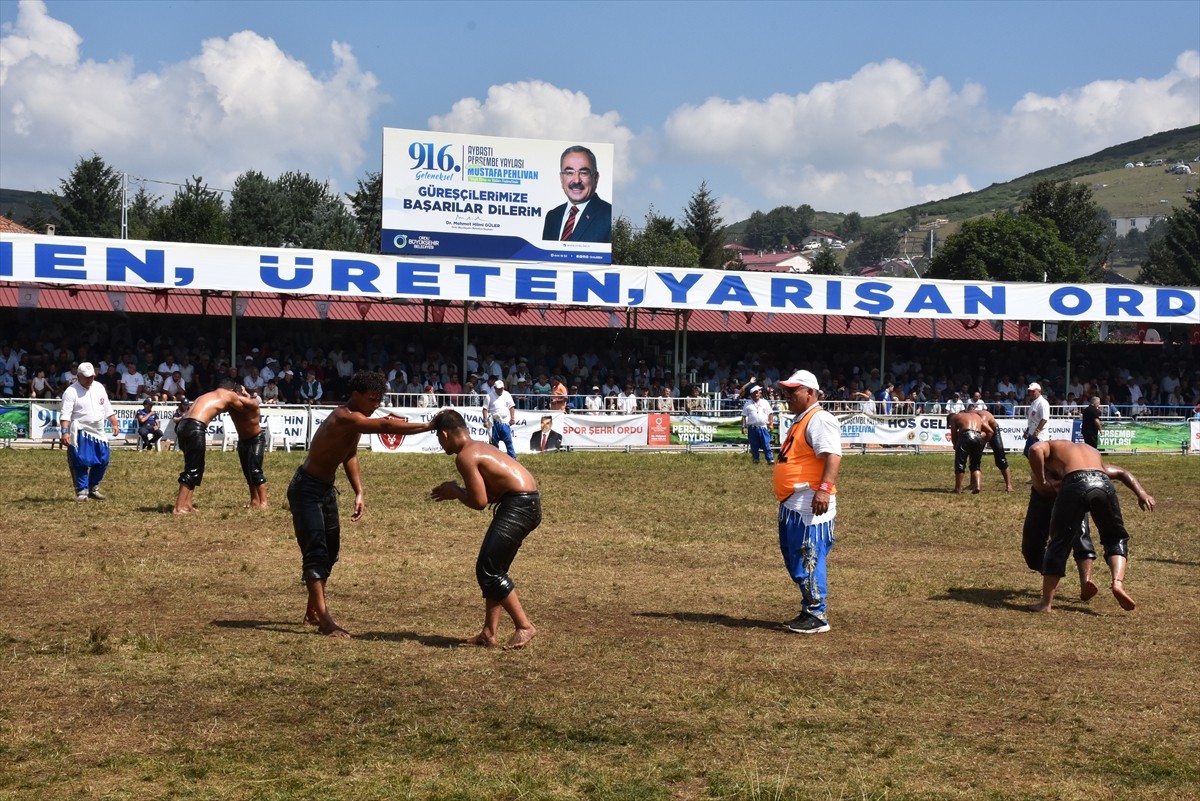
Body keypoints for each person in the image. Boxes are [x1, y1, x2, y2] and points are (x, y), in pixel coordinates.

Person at [289, 370, 435, 638]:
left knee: (330, 551)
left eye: (379, 400)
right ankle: (325, 620)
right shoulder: (343, 417)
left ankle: (313, 610)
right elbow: (386, 427)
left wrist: (359, 492)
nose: (376, 405)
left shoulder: (355, 422)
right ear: (356, 395)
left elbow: (350, 455)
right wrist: (428, 426)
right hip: (306, 490)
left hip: (324, 489)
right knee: (316, 553)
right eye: (372, 399)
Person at [430, 409, 541, 649]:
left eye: (438, 438)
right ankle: (489, 633)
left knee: (489, 571)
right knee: (493, 568)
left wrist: (454, 491)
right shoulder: (479, 447)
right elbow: (488, 493)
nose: (440, 443)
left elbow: (480, 502)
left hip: (518, 506)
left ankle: (524, 627)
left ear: (445, 434)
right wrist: (459, 491)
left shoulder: (465, 456)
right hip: (525, 504)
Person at [1026, 440, 1154, 613]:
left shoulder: (1050, 445)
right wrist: (1141, 493)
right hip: (1103, 482)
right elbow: (1122, 472)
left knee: (1059, 542)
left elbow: (1034, 449)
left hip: (1076, 482)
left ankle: (1046, 603)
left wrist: (1042, 480)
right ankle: (1117, 583)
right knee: (1115, 537)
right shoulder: (1090, 452)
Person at [773, 369, 842, 634]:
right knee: (796, 558)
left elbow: (833, 455)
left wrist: (824, 489)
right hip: (794, 503)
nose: (787, 395)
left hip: (809, 504)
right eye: (785, 391)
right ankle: (810, 608)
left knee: (809, 557)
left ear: (810, 392)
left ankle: (817, 614)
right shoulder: (802, 419)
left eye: (793, 391)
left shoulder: (819, 419)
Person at [172, 383, 262, 514]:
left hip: (183, 425)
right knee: (193, 469)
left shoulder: (207, 395)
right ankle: (179, 507)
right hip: (195, 427)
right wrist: (247, 396)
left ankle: (187, 505)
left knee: (195, 466)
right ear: (232, 389)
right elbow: (245, 409)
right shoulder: (230, 395)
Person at [59, 362, 120, 503]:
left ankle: (93, 487)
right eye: (86, 377)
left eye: (91, 377)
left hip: (98, 430)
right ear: (79, 376)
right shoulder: (71, 392)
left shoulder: (99, 387)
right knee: (80, 460)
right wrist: (65, 432)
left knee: (103, 459)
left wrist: (114, 423)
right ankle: (82, 490)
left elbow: (107, 407)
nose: (89, 380)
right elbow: (65, 415)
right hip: (80, 430)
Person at [541, 145, 612, 243]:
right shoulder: (552, 217)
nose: (576, 180)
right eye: (569, 173)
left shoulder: (610, 216)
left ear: (595, 178)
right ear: (561, 179)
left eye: (584, 173)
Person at [972, 407, 1014, 492]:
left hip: (993, 431)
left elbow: (989, 432)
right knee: (974, 457)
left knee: (1000, 458)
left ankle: (1009, 485)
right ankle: (973, 483)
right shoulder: (969, 418)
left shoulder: (982, 417)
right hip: (982, 432)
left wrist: (986, 441)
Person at [947, 409, 986, 494]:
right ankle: (977, 486)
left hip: (965, 435)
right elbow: (986, 430)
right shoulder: (976, 416)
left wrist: (955, 444)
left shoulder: (954, 418)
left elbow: (954, 433)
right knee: (976, 464)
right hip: (978, 436)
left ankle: (958, 488)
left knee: (960, 463)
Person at [741, 382, 775, 465]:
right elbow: (744, 416)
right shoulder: (747, 404)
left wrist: (771, 423)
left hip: (763, 427)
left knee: (766, 444)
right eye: (755, 393)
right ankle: (756, 459)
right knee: (754, 445)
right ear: (751, 394)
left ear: (760, 393)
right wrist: (743, 427)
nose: (757, 394)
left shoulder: (765, 402)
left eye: (758, 392)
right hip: (752, 428)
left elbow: (770, 413)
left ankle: (770, 459)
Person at [483, 378, 518, 459]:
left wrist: (512, 418)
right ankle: (495, 458)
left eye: (501, 388)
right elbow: (485, 409)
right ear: (495, 388)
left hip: (504, 422)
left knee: (508, 441)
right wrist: (485, 420)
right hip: (493, 423)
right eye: (498, 389)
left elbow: (511, 407)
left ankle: (513, 458)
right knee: (494, 443)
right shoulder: (489, 396)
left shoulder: (507, 394)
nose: (500, 390)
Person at [1024, 381, 1050, 456]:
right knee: (1027, 452)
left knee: (1035, 453)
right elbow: (1031, 419)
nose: (1031, 393)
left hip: (1039, 434)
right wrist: (1027, 431)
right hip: (1031, 432)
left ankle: (1042, 463)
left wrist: (1036, 432)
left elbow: (1044, 419)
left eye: (1033, 391)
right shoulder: (1033, 403)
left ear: (1039, 391)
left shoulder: (1043, 403)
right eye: (1030, 391)